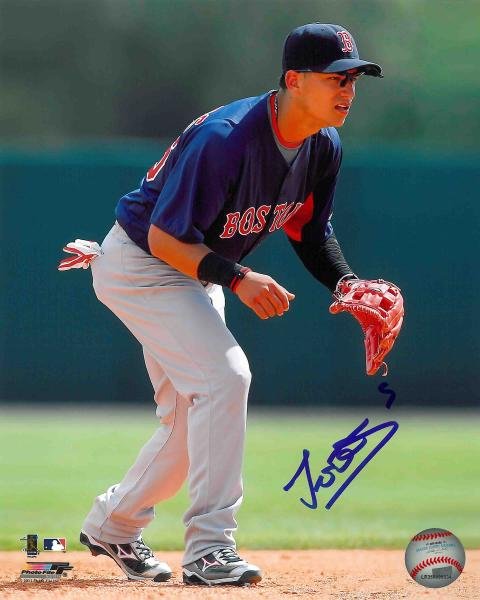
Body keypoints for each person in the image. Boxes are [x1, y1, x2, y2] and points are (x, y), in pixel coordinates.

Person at [75, 23, 383, 586]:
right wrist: (238, 278)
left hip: (195, 271)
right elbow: (165, 237)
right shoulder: (227, 138)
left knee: (191, 425)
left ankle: (112, 525)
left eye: (354, 79)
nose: (348, 89)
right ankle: (210, 548)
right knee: (225, 378)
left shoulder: (322, 146)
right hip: (143, 264)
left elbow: (310, 231)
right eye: (335, 78)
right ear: (294, 80)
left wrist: (347, 284)